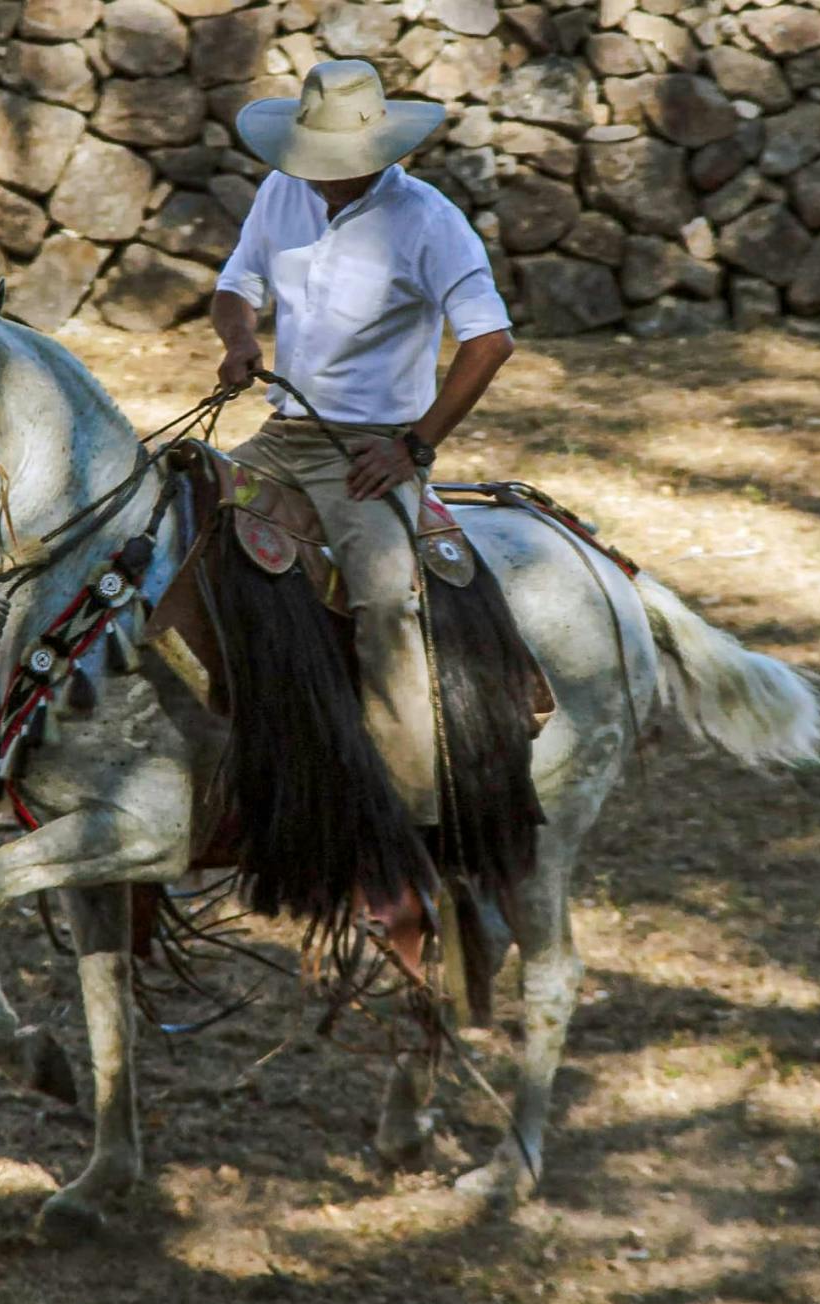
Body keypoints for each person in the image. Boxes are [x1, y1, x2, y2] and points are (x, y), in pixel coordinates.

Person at [211, 58, 516, 826]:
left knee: (385, 601)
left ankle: (408, 816)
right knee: (175, 529)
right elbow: (236, 283)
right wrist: (240, 337)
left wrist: (413, 446)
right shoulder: (285, 188)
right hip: (283, 431)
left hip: (368, 449)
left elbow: (489, 341)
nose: (324, 178)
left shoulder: (429, 220)